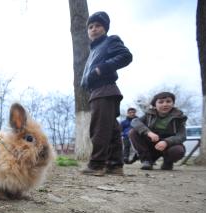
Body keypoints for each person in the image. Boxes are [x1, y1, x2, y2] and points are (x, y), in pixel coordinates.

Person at [80, 11, 133, 176]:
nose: (94, 29)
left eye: (98, 25)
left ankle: (97, 165)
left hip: (105, 89)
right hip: (98, 91)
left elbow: (126, 56)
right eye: (90, 27)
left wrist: (101, 68)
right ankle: (115, 165)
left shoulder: (111, 41)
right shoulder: (93, 50)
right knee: (112, 129)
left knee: (99, 129)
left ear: (105, 28)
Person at [129, 92, 187, 170]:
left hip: (169, 145)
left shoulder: (179, 117)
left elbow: (182, 135)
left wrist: (166, 142)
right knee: (133, 132)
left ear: (173, 103)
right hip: (152, 144)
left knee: (178, 151)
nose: (165, 104)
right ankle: (147, 161)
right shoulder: (149, 114)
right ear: (155, 105)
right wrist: (148, 132)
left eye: (168, 101)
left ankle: (168, 161)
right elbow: (135, 121)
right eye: (161, 102)